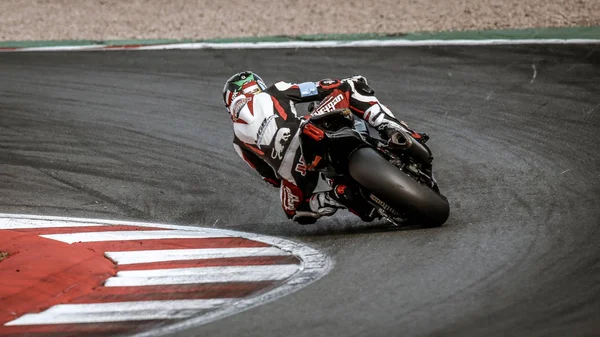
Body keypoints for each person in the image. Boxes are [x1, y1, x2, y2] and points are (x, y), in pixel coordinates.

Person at [223, 71, 427, 224]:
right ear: (257, 85)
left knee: (294, 211)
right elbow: (318, 89)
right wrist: (335, 86)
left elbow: (271, 178)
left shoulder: (238, 142)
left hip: (297, 171)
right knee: (349, 86)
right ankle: (395, 130)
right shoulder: (275, 90)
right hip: (309, 132)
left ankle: (336, 196)